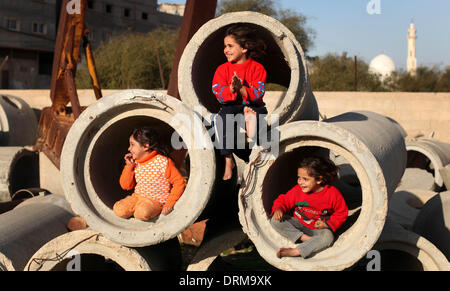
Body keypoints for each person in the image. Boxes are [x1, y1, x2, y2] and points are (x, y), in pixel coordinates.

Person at [212, 24, 268, 180]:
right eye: (225, 46)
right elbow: (218, 94)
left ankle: (251, 124)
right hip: (232, 106)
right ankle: (228, 160)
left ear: (245, 48)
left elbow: (258, 93)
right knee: (222, 118)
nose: (226, 50)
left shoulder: (258, 68)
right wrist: (231, 89)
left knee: (259, 112)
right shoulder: (222, 70)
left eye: (230, 46)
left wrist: (242, 89)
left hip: (253, 105)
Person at [270, 156, 348, 259]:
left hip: (317, 228)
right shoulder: (297, 190)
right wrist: (278, 209)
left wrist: (326, 224)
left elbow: (341, 213)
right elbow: (284, 200)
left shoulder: (332, 194)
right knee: (275, 221)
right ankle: (305, 238)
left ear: (319, 180)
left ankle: (296, 251)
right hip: (298, 223)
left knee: (328, 237)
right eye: (299, 177)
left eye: (305, 179)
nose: (300, 182)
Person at [113, 127, 186, 221]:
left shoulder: (162, 162)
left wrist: (170, 203)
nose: (129, 148)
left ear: (146, 146)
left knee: (143, 212)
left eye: (132, 145)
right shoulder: (135, 163)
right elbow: (126, 186)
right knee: (119, 210)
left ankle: (141, 208)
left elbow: (179, 182)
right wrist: (129, 166)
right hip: (137, 197)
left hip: (156, 201)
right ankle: (137, 206)